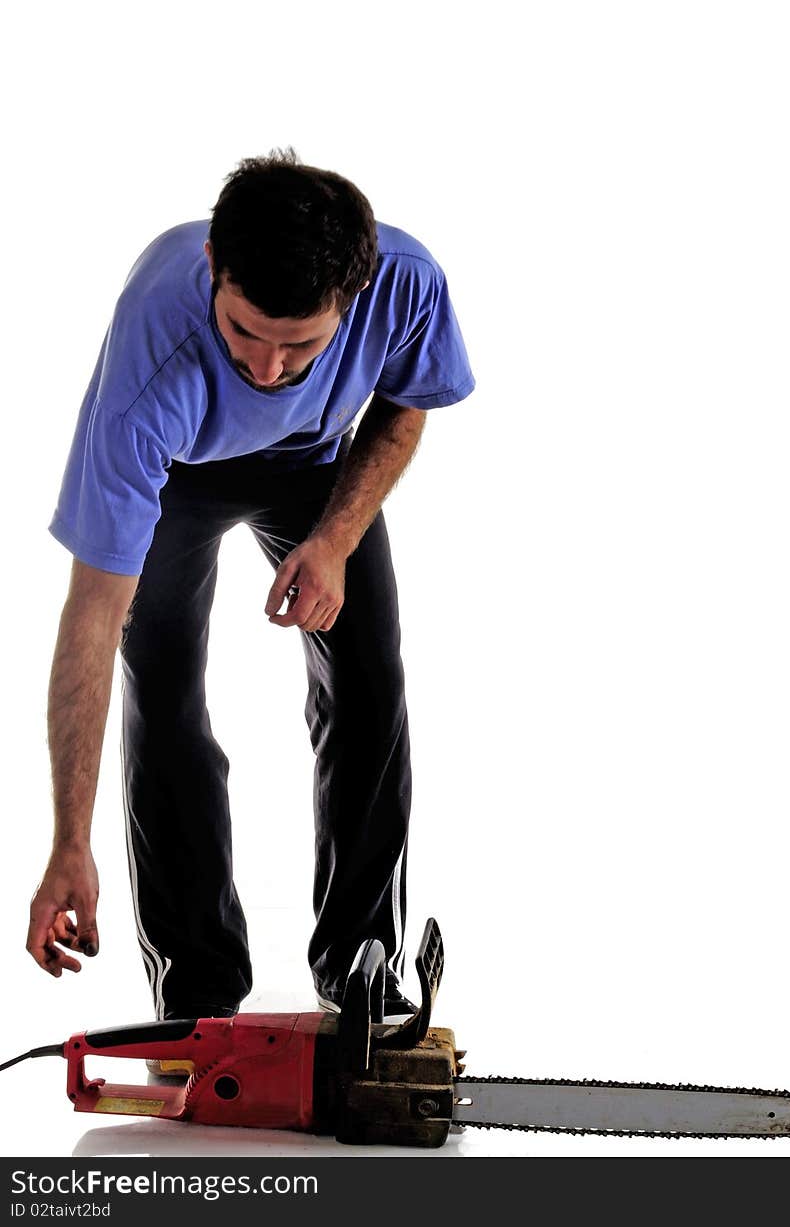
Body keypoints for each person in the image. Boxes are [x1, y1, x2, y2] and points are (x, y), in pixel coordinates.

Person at [26, 148, 474, 1021]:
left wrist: (336, 537)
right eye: (243, 334)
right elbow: (89, 616)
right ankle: (195, 987)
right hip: (179, 474)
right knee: (160, 688)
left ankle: (361, 968)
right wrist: (68, 844)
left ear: (354, 295)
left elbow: (404, 401)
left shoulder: (406, 283)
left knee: (370, 680)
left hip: (316, 467)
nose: (266, 371)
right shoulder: (145, 374)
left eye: (299, 345)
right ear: (212, 272)